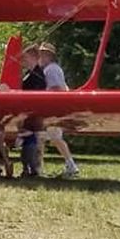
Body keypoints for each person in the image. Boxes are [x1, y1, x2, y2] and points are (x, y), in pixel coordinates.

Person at [38, 43, 80, 177]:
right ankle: (39, 167)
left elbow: (56, 88)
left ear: (48, 56)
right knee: (45, 138)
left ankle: (70, 165)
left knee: (53, 138)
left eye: (42, 54)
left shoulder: (51, 69)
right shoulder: (51, 69)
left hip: (52, 109)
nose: (40, 57)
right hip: (53, 108)